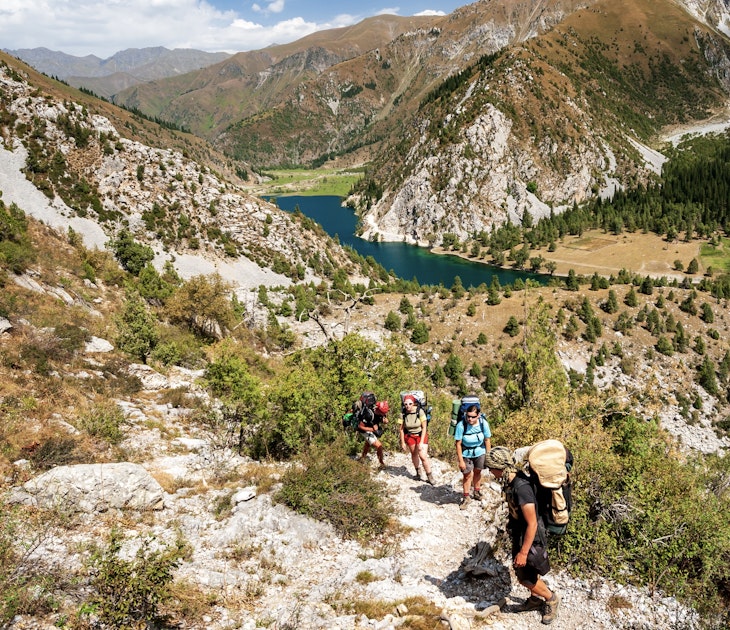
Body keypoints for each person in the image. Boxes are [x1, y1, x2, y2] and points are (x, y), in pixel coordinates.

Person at [484, 446, 561, 626]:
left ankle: (551, 599)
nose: (490, 471)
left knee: (524, 577)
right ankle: (535, 600)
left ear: (501, 468)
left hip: (531, 536)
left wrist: (524, 552)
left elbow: (532, 523)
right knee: (529, 572)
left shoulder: (521, 488)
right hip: (521, 533)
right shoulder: (512, 480)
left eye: (491, 467)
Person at [453, 404, 491, 509]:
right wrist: (460, 460)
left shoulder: (484, 424)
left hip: (480, 451)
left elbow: (487, 440)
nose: (470, 419)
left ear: (478, 415)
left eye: (473, 417)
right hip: (466, 453)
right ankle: (466, 497)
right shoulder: (461, 425)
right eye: (468, 416)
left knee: (478, 471)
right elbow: (458, 444)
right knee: (467, 474)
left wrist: (489, 456)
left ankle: (477, 491)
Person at [398, 394, 435, 484]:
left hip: (421, 435)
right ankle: (418, 473)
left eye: (410, 404)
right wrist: (402, 442)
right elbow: (401, 429)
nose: (408, 406)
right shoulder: (402, 414)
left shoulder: (420, 411)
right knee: (414, 454)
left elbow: (424, 427)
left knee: (422, 456)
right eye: (406, 404)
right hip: (410, 436)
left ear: (414, 403)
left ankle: (429, 476)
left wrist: (421, 442)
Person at [358, 400, 389, 469]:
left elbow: (378, 419)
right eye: (383, 413)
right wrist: (372, 429)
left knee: (368, 443)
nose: (384, 414)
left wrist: (383, 420)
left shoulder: (379, 413)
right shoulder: (368, 414)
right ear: (379, 410)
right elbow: (360, 426)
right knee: (379, 446)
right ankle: (381, 463)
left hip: (371, 428)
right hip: (365, 430)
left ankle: (362, 458)